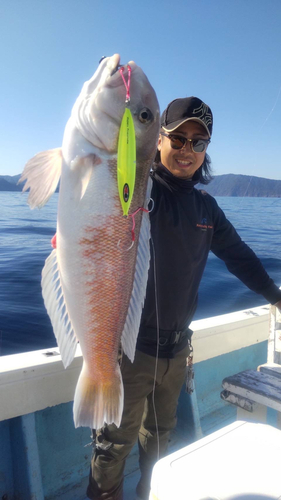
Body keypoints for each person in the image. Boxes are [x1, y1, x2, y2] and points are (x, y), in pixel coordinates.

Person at [87, 97, 281, 500]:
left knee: (159, 438)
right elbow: (104, 171)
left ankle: (150, 494)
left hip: (176, 353)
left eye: (198, 142)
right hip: (129, 352)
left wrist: (276, 297)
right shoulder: (137, 193)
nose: (187, 151)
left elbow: (240, 257)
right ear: (158, 139)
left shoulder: (207, 208)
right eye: (178, 138)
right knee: (113, 445)